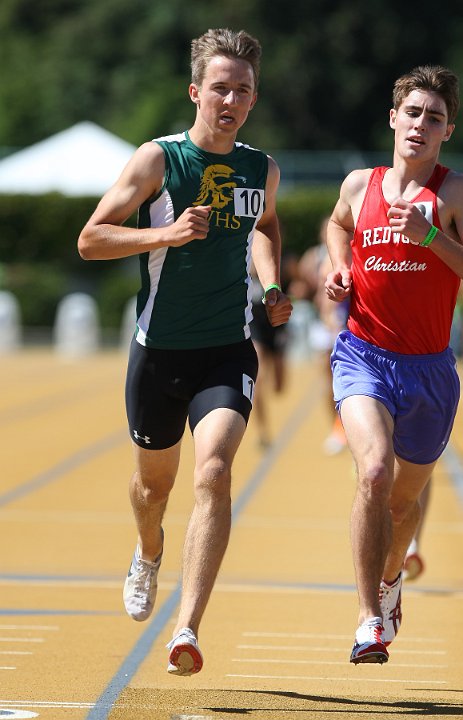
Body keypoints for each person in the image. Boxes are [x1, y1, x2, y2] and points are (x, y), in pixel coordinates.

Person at [78, 28, 292, 677]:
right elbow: (90, 239)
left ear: (253, 100)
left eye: (243, 90)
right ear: (196, 91)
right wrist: (165, 233)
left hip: (226, 352)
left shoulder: (261, 168)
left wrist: (273, 282)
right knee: (153, 488)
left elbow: (265, 226)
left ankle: (186, 627)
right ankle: (148, 553)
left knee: (214, 474)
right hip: (157, 355)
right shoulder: (157, 160)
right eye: (220, 87)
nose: (231, 99)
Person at [325, 65, 463, 665]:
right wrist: (339, 266)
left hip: (431, 369)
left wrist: (431, 237)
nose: (421, 125)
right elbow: (337, 223)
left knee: (404, 504)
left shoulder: (452, 193)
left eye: (434, 117)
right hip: (364, 355)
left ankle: (389, 585)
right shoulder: (361, 185)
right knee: (374, 473)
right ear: (393, 118)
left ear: (447, 130)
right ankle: (367, 619)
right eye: (413, 113)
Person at [249, 253, 296, 448]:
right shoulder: (247, 256)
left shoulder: (285, 262)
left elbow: (301, 282)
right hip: (255, 324)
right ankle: (262, 431)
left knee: (279, 386)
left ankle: (273, 375)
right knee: (257, 379)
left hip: (277, 325)